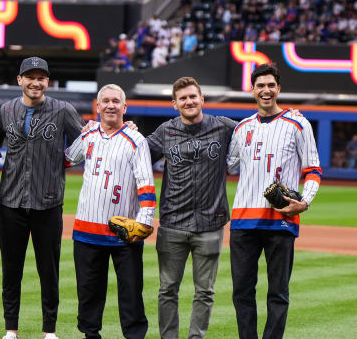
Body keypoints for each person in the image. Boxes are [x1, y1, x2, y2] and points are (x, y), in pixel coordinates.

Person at [0, 57, 86, 339]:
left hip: (48, 202)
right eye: (29, 77)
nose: (35, 82)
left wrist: (68, 161)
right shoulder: (6, 110)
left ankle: (50, 331)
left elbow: (88, 141)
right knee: (11, 270)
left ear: (48, 81)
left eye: (41, 77)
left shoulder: (63, 110)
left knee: (49, 270)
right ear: (19, 80)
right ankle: (11, 330)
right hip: (11, 203)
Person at [227, 63, 322, 339]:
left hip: (281, 220)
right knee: (241, 292)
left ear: (278, 88)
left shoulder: (298, 123)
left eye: (271, 85)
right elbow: (227, 165)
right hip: (243, 221)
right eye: (260, 85)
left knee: (278, 293)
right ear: (252, 89)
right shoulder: (242, 128)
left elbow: (313, 169)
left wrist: (305, 201)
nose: (265, 90)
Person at [145, 77, 236, 339]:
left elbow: (256, 132)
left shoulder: (223, 127)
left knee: (205, 291)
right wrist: (124, 127)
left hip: (210, 224)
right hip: (173, 223)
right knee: (167, 289)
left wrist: (285, 115)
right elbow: (137, 153)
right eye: (183, 98)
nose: (189, 101)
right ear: (174, 104)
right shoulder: (165, 131)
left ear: (202, 99)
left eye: (193, 96)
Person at [64, 84, 156, 339]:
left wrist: (145, 222)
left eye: (116, 101)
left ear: (124, 108)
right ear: (98, 106)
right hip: (86, 229)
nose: (111, 105)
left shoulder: (136, 140)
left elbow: (146, 184)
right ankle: (90, 335)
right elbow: (67, 159)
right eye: (105, 101)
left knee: (131, 292)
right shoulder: (88, 135)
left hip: (124, 232)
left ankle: (135, 336)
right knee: (89, 292)